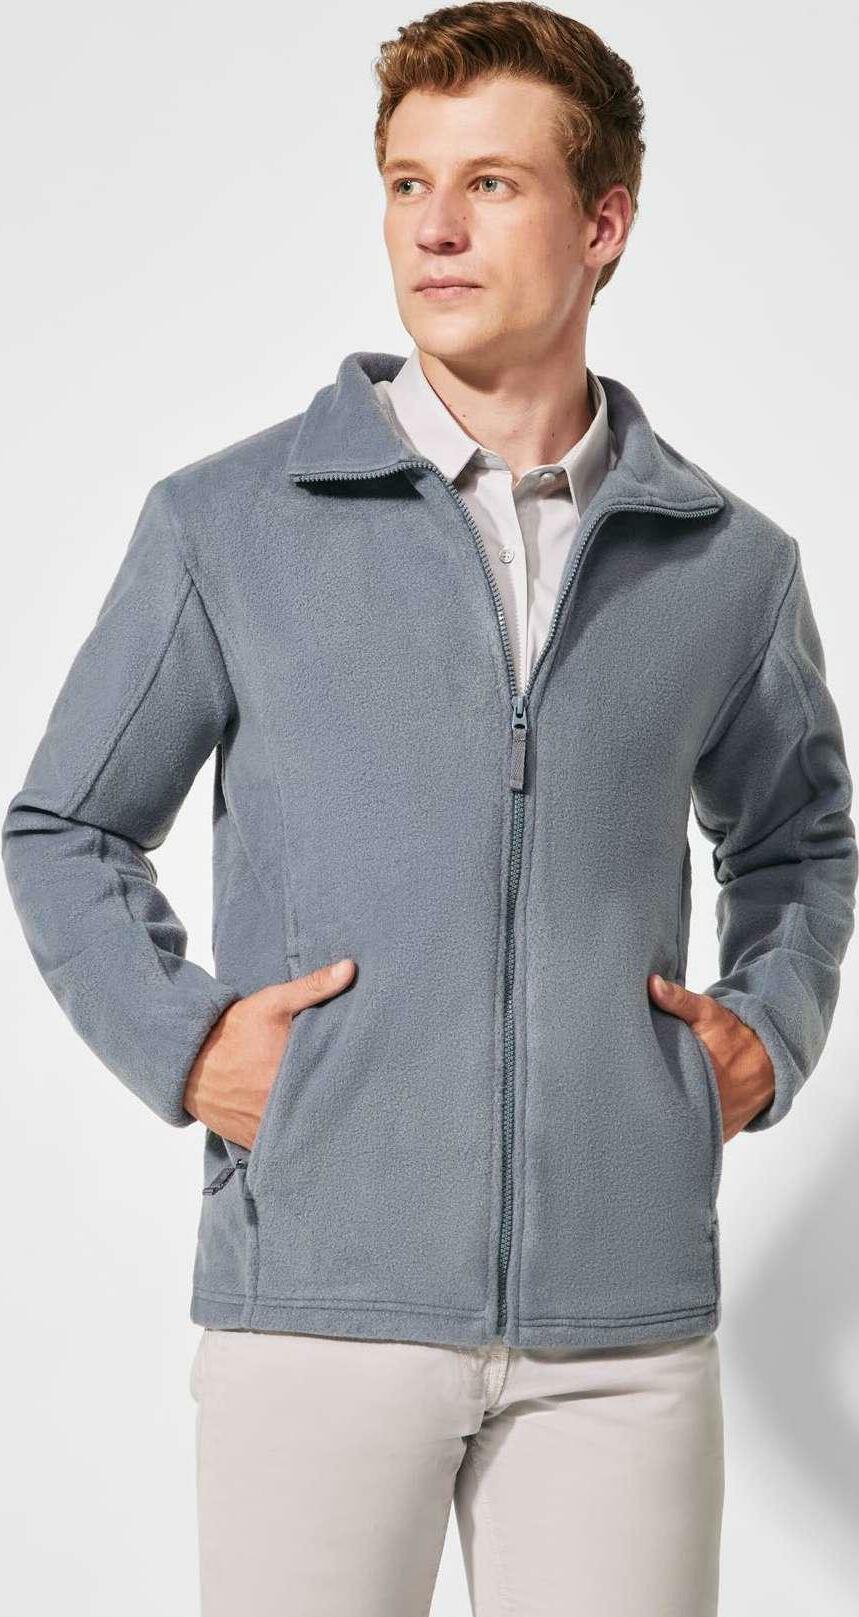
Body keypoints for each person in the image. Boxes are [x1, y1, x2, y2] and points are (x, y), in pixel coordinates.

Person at [3, 5, 856, 1614]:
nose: (436, 227)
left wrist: (768, 1032)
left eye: (491, 184)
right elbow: (64, 825)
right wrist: (189, 1044)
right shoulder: (228, 526)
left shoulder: (728, 565)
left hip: (621, 1331)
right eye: (407, 184)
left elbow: (800, 842)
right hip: (316, 1305)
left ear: (603, 224)